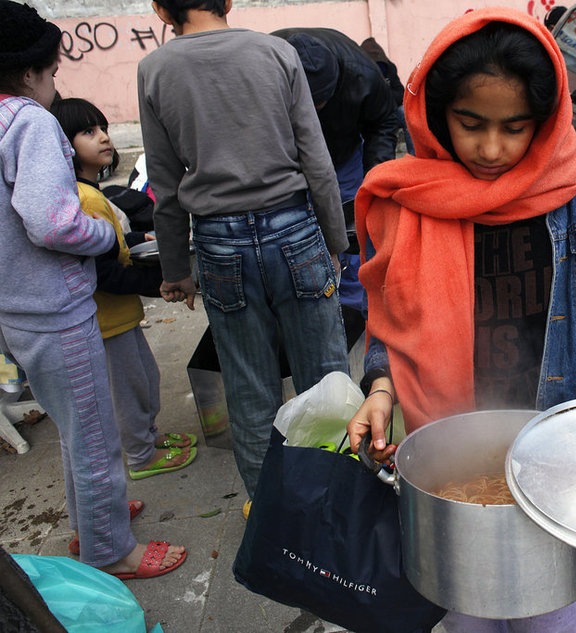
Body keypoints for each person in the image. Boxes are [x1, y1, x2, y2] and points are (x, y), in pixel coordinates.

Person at [346, 8, 576, 632]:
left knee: (553, 606)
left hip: (556, 448)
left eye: (514, 128)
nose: (491, 149)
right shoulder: (411, 204)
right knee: (466, 609)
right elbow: (389, 324)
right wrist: (379, 391)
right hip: (449, 456)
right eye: (470, 124)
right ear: (437, 116)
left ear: (544, 121)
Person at [0, 0, 186, 580]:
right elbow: (53, 221)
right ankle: (110, 550)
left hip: (17, 308)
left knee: (76, 428)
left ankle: (93, 518)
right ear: (31, 72)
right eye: (54, 73)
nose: (55, 84)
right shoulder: (28, 121)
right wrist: (103, 232)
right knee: (96, 437)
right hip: (55, 307)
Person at [138, 0, 350, 501]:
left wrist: (175, 269)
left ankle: (270, 514)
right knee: (326, 380)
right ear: (228, 1)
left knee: (249, 389)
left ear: (159, 9)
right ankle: (339, 499)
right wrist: (335, 241)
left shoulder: (155, 69)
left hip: (218, 242)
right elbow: (315, 159)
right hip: (295, 230)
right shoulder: (276, 52)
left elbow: (164, 186)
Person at [51, 97, 198, 491]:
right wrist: (162, 284)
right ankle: (139, 455)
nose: (103, 138)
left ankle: (146, 438)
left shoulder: (92, 191)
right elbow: (106, 274)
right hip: (105, 322)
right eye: (88, 132)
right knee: (129, 391)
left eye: (103, 129)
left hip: (121, 317)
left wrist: (140, 237)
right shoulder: (82, 199)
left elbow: (113, 240)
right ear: (63, 145)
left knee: (146, 378)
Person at [271, 26, 402, 350]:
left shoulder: (363, 74)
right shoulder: (269, 64)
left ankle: (354, 311)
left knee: (351, 230)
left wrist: (374, 178)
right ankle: (303, 305)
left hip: (343, 157)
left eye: (321, 103)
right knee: (293, 229)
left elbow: (384, 122)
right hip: (285, 160)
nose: (312, 114)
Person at [360, 36, 415, 156]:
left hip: (390, 109)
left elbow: (401, 93)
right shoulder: (359, 72)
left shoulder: (389, 68)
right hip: (369, 115)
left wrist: (383, 95)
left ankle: (414, 155)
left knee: (406, 113)